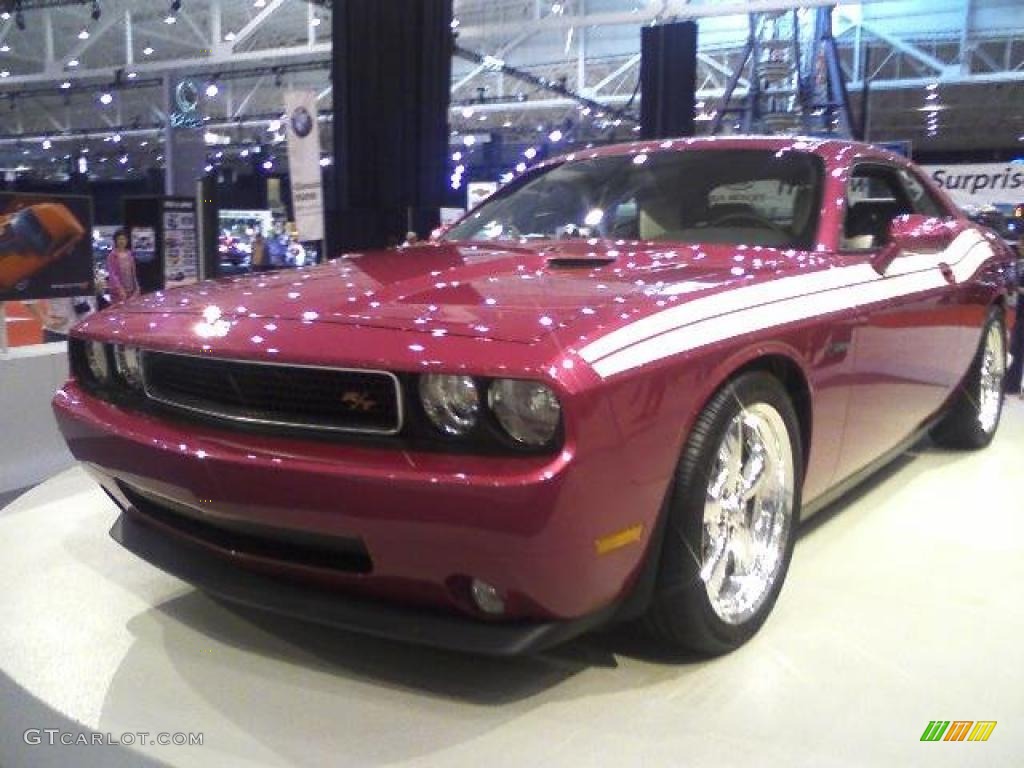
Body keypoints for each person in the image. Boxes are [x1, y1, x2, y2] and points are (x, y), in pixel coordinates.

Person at [23, 296, 95, 343]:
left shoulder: (86, 273)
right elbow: (27, 296)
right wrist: (44, 318)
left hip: (90, 331)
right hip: (59, 331)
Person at [106, 229, 140, 303]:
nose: (122, 241)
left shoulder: (129, 254)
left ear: (127, 240)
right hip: (118, 293)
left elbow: (133, 272)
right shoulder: (112, 255)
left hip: (131, 291)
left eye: (124, 239)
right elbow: (112, 275)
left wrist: (137, 286)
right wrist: (120, 289)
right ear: (116, 241)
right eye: (119, 239)